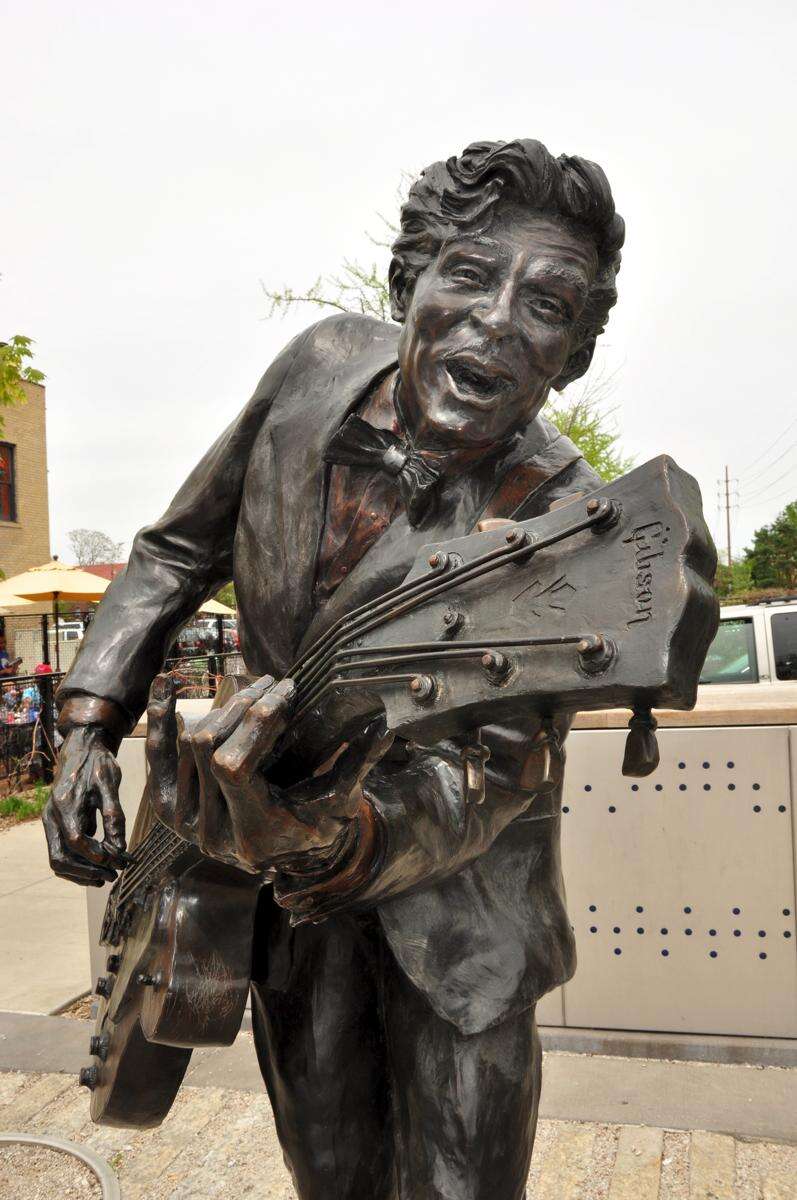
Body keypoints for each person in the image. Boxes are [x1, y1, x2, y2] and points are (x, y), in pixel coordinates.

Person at [43, 139, 624, 1200]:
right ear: (406, 285)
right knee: (329, 1176)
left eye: (545, 306)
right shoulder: (315, 366)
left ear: (570, 358)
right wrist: (86, 724)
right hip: (285, 918)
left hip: (463, 931)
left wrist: (331, 837)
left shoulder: (565, 524)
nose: (497, 320)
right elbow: (174, 552)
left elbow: (497, 772)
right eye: (468, 275)